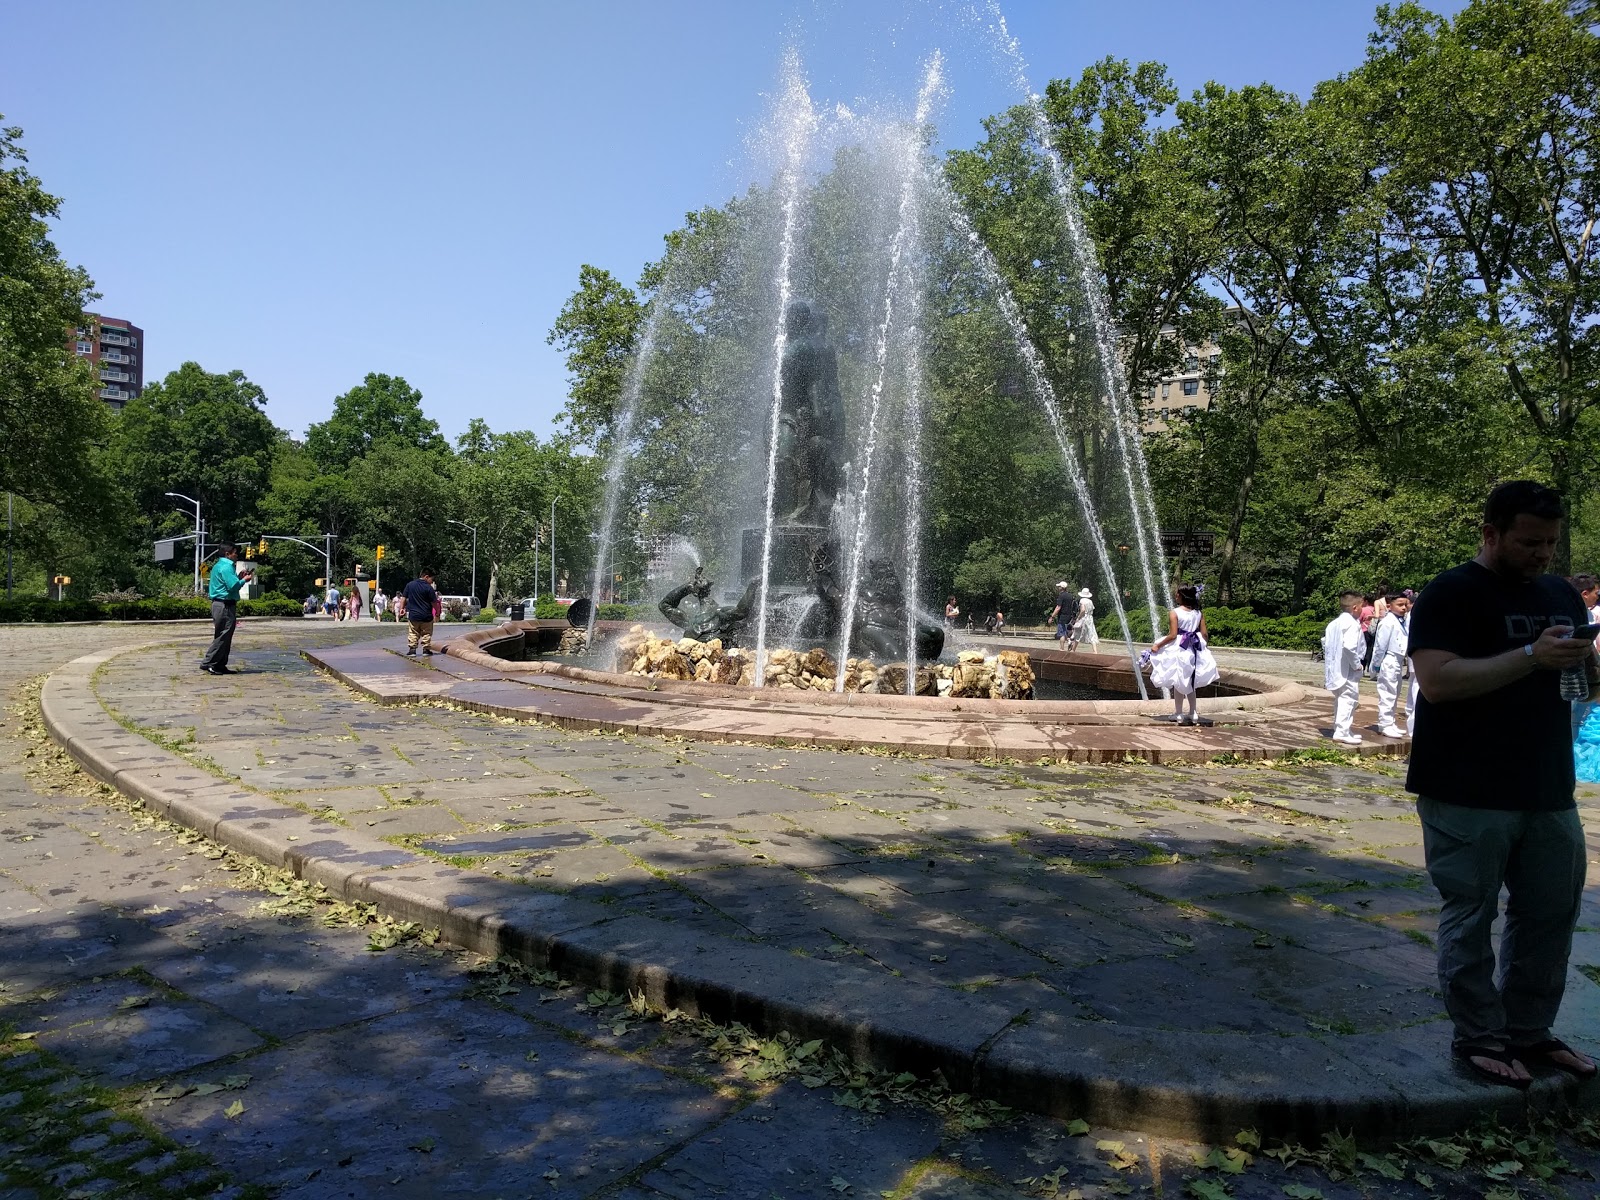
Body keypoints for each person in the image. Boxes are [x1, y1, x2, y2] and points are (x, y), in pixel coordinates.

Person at [1408, 480, 1599, 1088]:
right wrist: (1529, 658)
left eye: (1549, 543)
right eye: (1528, 542)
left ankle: (1530, 1032)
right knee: (1471, 915)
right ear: (1491, 534)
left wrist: (1588, 669)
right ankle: (1480, 1037)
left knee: (1551, 914)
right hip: (1465, 788)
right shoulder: (1450, 593)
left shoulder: (1561, 595)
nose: (1542, 554)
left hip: (1547, 787)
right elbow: (1437, 682)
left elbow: (1583, 686)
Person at [1149, 584, 1219, 725]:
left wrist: (1158, 645)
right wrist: (1203, 646)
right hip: (1194, 647)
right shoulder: (1198, 613)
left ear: (1182, 596)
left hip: (1180, 648)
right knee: (1190, 681)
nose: (1175, 596)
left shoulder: (1174, 612)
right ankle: (1193, 713)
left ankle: (1179, 713)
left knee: (1179, 680)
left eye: (1177, 594)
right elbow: (1204, 634)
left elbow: (1173, 635)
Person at [199, 544, 253, 675]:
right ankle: (210, 663)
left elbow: (228, 583)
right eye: (235, 553)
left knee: (225, 635)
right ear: (227, 554)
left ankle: (220, 664)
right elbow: (232, 586)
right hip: (224, 605)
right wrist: (244, 580)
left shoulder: (219, 565)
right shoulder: (227, 566)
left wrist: (239, 577)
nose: (236, 555)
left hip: (222, 604)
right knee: (223, 635)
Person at [1323, 590, 1366, 745]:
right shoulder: (1351, 624)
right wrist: (1356, 665)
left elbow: (1326, 644)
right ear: (1355, 607)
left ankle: (1342, 728)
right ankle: (1342, 731)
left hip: (1336, 667)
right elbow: (1349, 647)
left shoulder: (1334, 623)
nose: (1363, 609)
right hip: (1347, 669)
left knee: (1342, 699)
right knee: (1349, 699)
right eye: (1362, 606)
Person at [1367, 592, 1412, 739]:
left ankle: (1390, 721)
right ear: (1389, 606)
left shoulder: (1402, 621)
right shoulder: (1387, 622)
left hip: (1398, 660)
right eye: (1400, 605)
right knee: (1388, 693)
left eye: (1405, 604)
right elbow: (1380, 645)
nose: (1404, 608)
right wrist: (1376, 665)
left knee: (1395, 692)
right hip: (1389, 659)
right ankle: (1384, 723)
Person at [403, 570, 440, 656]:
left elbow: (403, 598)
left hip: (413, 615)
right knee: (427, 633)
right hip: (426, 615)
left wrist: (402, 608)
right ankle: (426, 650)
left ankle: (412, 650)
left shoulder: (410, 585)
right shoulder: (429, 588)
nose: (432, 582)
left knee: (413, 632)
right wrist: (437, 612)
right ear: (426, 577)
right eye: (432, 579)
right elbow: (434, 603)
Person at [1050, 583, 1076, 651]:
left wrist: (1052, 616)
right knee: (1068, 632)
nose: (1058, 588)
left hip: (1062, 617)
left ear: (1061, 588)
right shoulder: (1070, 596)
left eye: (1059, 586)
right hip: (1070, 617)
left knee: (1062, 633)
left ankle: (1062, 649)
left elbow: (1058, 607)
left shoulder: (1061, 596)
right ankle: (1069, 641)